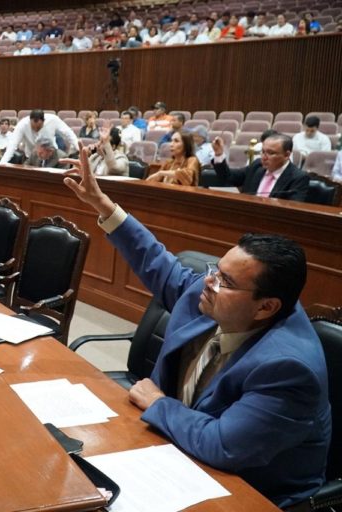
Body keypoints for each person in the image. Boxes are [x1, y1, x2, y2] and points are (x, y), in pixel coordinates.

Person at [62, 148, 330, 509]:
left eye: (226, 281)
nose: (208, 282)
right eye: (215, 270)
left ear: (266, 307)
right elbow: (157, 261)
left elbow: (223, 445)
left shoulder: (287, 368)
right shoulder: (215, 296)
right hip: (174, 453)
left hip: (246, 491)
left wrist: (158, 403)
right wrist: (104, 205)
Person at [212, 133, 309, 201]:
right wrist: (219, 154)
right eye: (263, 151)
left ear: (287, 155)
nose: (264, 157)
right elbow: (228, 177)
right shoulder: (257, 166)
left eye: (271, 153)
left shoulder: (298, 177)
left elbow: (292, 209)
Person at [0, 110, 79, 164]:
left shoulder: (53, 119)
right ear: (29, 120)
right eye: (33, 127)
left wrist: (79, 148)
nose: (36, 130)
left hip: (51, 157)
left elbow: (68, 133)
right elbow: (12, 145)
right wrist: (2, 164)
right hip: (31, 159)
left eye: (38, 127)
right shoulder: (22, 125)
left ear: (44, 121)